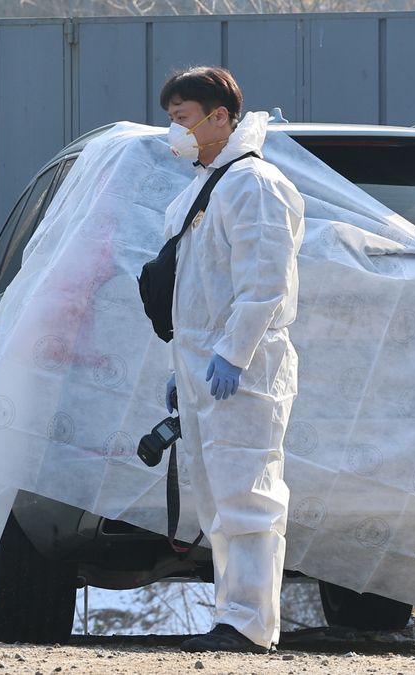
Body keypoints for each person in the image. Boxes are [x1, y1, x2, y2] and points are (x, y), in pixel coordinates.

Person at [159, 66, 305, 653]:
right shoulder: (209, 186)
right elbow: (199, 289)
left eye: (183, 118)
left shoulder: (253, 185)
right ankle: (233, 616)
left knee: (248, 495)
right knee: (219, 499)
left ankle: (248, 624)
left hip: (245, 370)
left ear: (220, 117)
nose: (175, 131)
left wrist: (233, 354)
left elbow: (264, 284)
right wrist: (184, 367)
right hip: (206, 366)